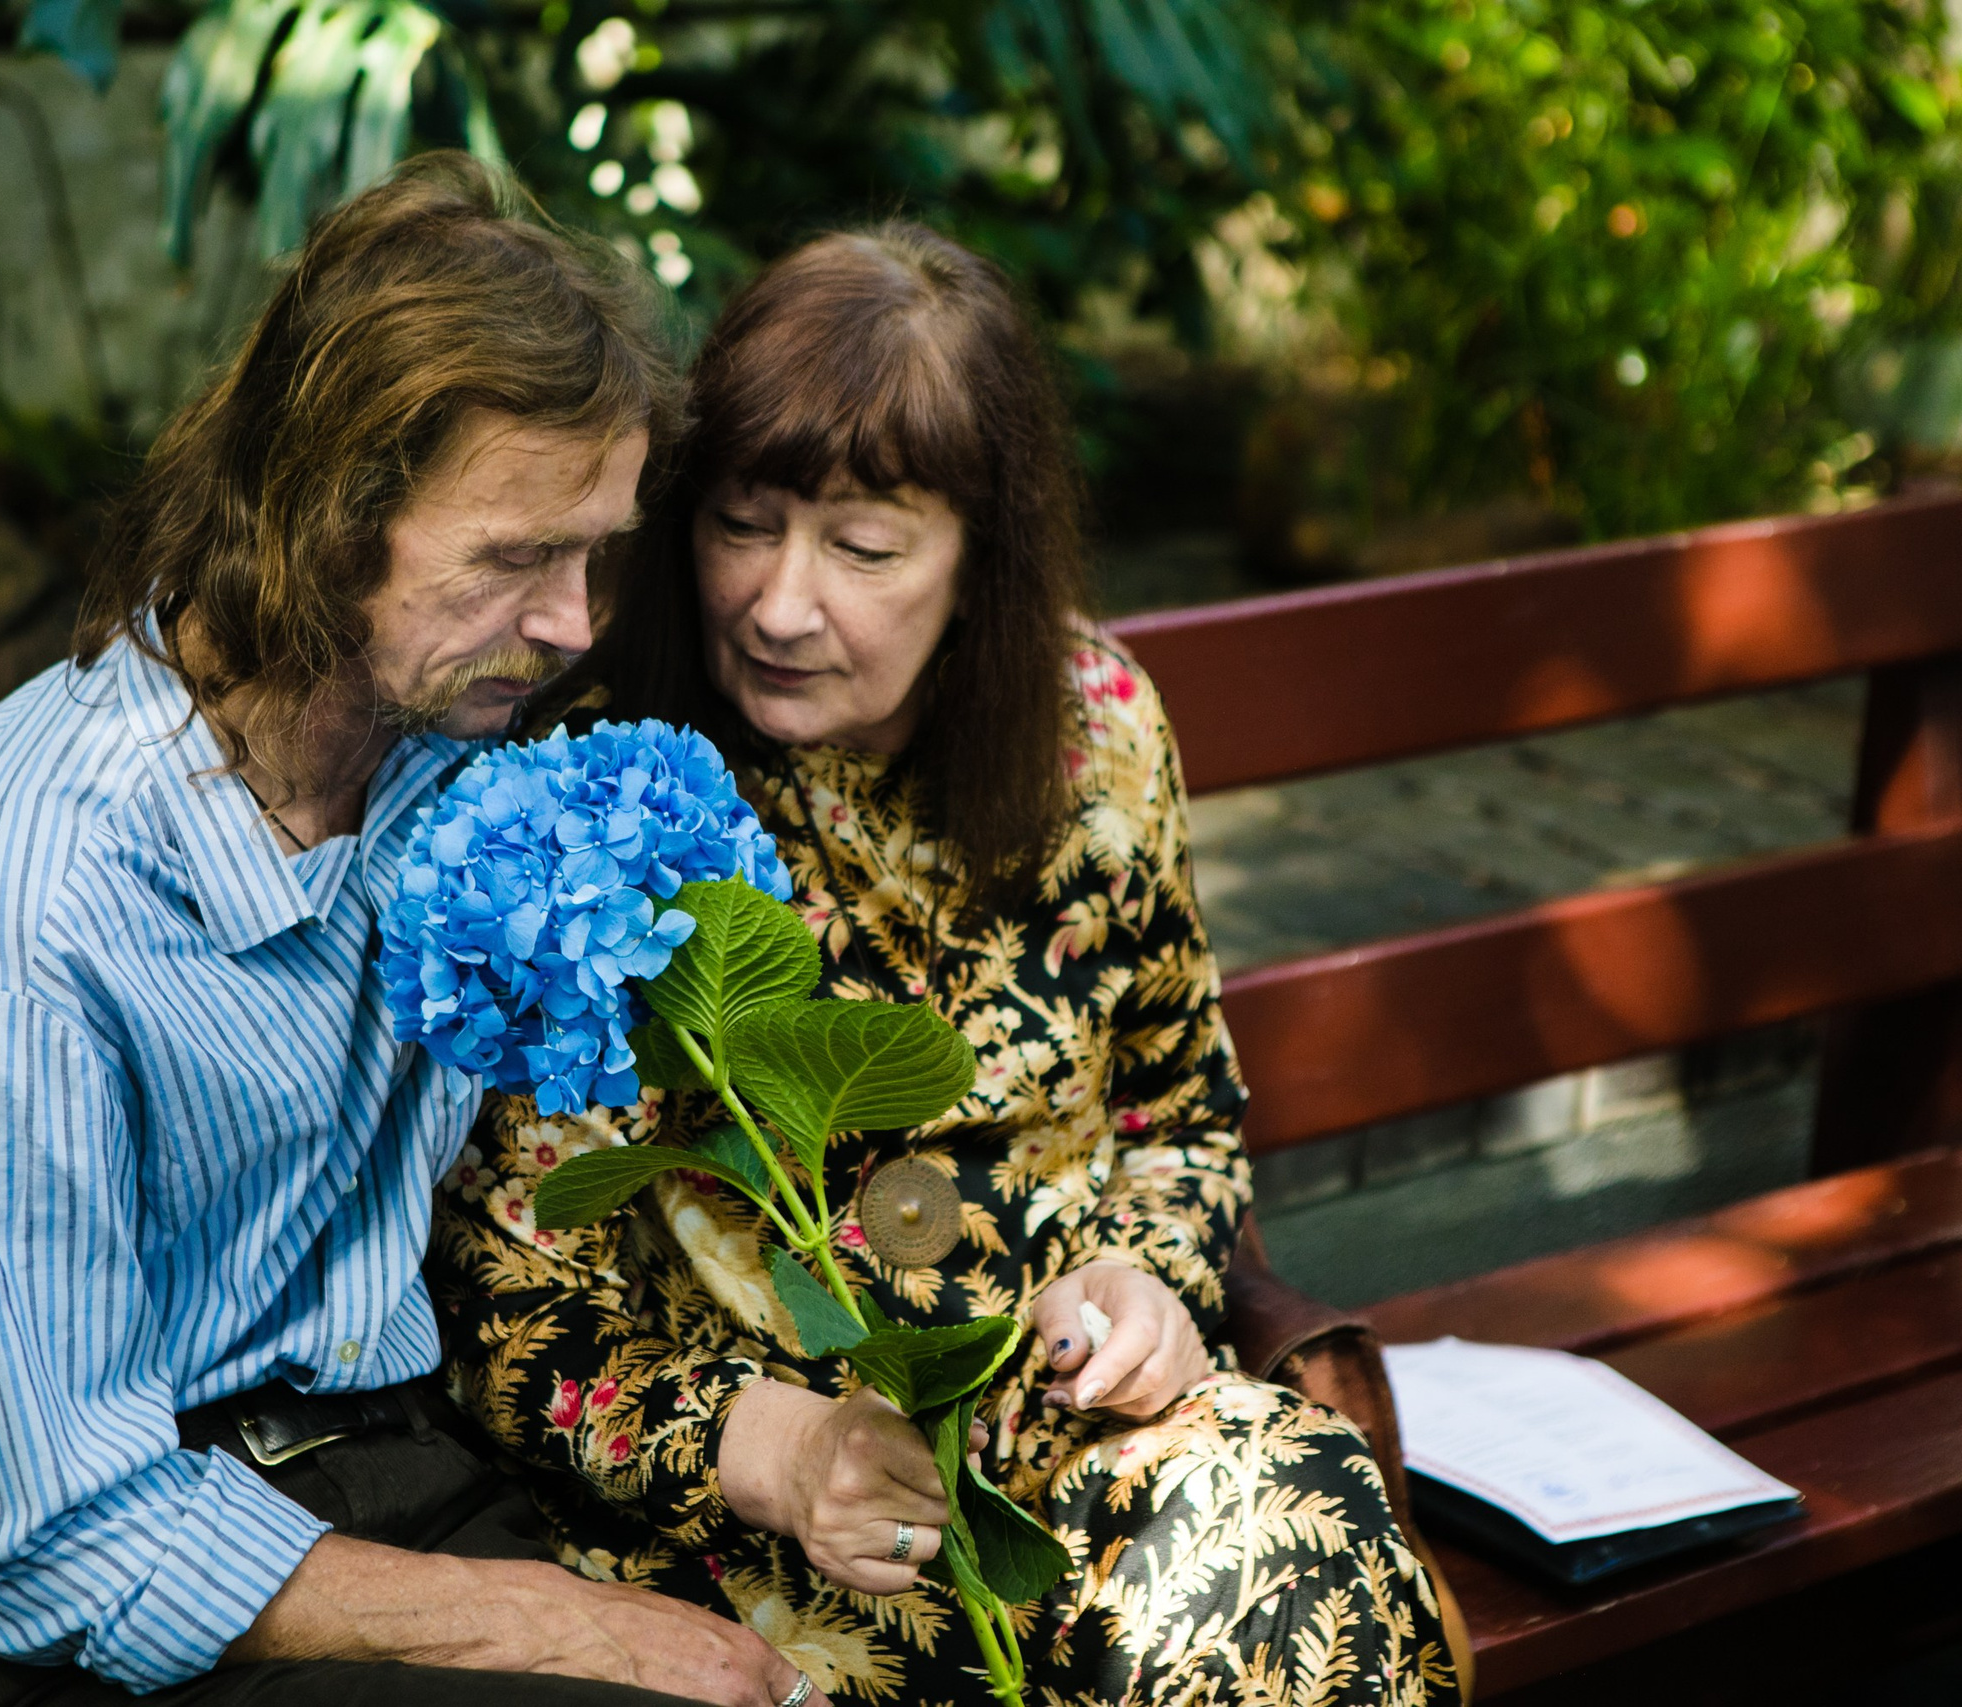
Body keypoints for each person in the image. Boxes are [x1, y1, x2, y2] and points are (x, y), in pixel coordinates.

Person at [0, 159, 813, 1707]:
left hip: (392, 1461)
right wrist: (551, 1623)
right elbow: (51, 1539)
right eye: (513, 558)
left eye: (590, 549)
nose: (574, 621)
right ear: (326, 523)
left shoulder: (434, 754)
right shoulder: (30, 912)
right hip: (115, 1581)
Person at [426, 224, 1464, 1704]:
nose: (780, 603)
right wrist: (777, 1451)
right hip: (767, 1527)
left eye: (863, 548)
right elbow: (507, 1306)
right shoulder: (589, 812)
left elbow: (1178, 1114)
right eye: (741, 523)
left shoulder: (1093, 729)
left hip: (1080, 1451)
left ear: (981, 557)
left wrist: (1149, 1279)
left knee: (1288, 1536)